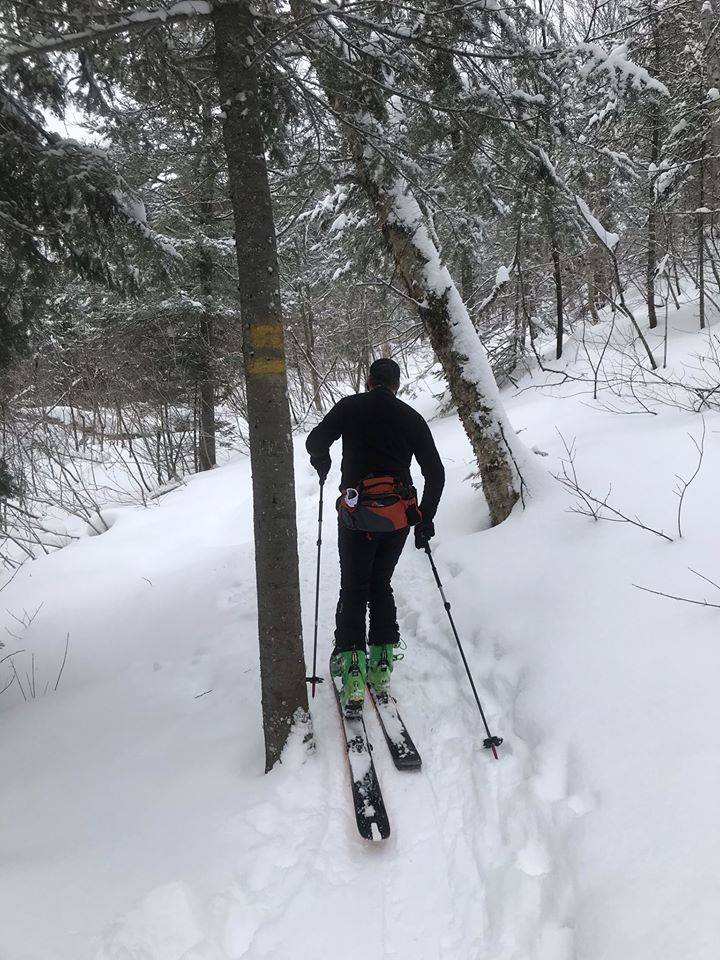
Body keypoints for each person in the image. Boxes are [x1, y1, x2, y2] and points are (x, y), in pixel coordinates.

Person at [306, 358, 445, 715]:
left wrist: (321, 460)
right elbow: (436, 473)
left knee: (354, 587)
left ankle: (353, 671)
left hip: (356, 516)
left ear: (369, 380)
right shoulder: (411, 417)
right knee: (380, 584)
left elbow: (315, 440)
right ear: (396, 385)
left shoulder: (351, 406)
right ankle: (381, 668)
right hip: (396, 518)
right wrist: (424, 519)